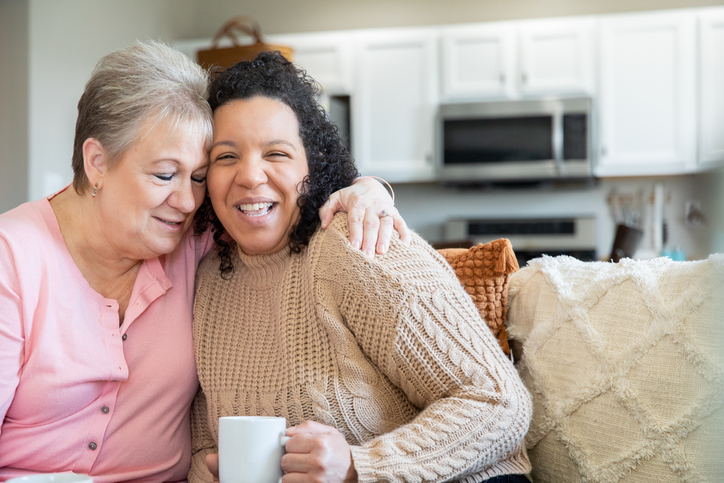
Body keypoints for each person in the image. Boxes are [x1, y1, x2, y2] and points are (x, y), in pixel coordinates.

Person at [0, 41, 408, 482]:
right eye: (163, 174)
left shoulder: (194, 238)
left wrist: (368, 188)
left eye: (197, 177)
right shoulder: (13, 257)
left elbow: (277, 200)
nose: (186, 200)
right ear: (97, 162)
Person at [190, 51, 533, 483]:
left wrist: (359, 466)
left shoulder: (355, 244)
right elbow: (205, 444)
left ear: (311, 168)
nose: (250, 176)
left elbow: (499, 403)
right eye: (225, 157)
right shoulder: (208, 282)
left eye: (276, 153)